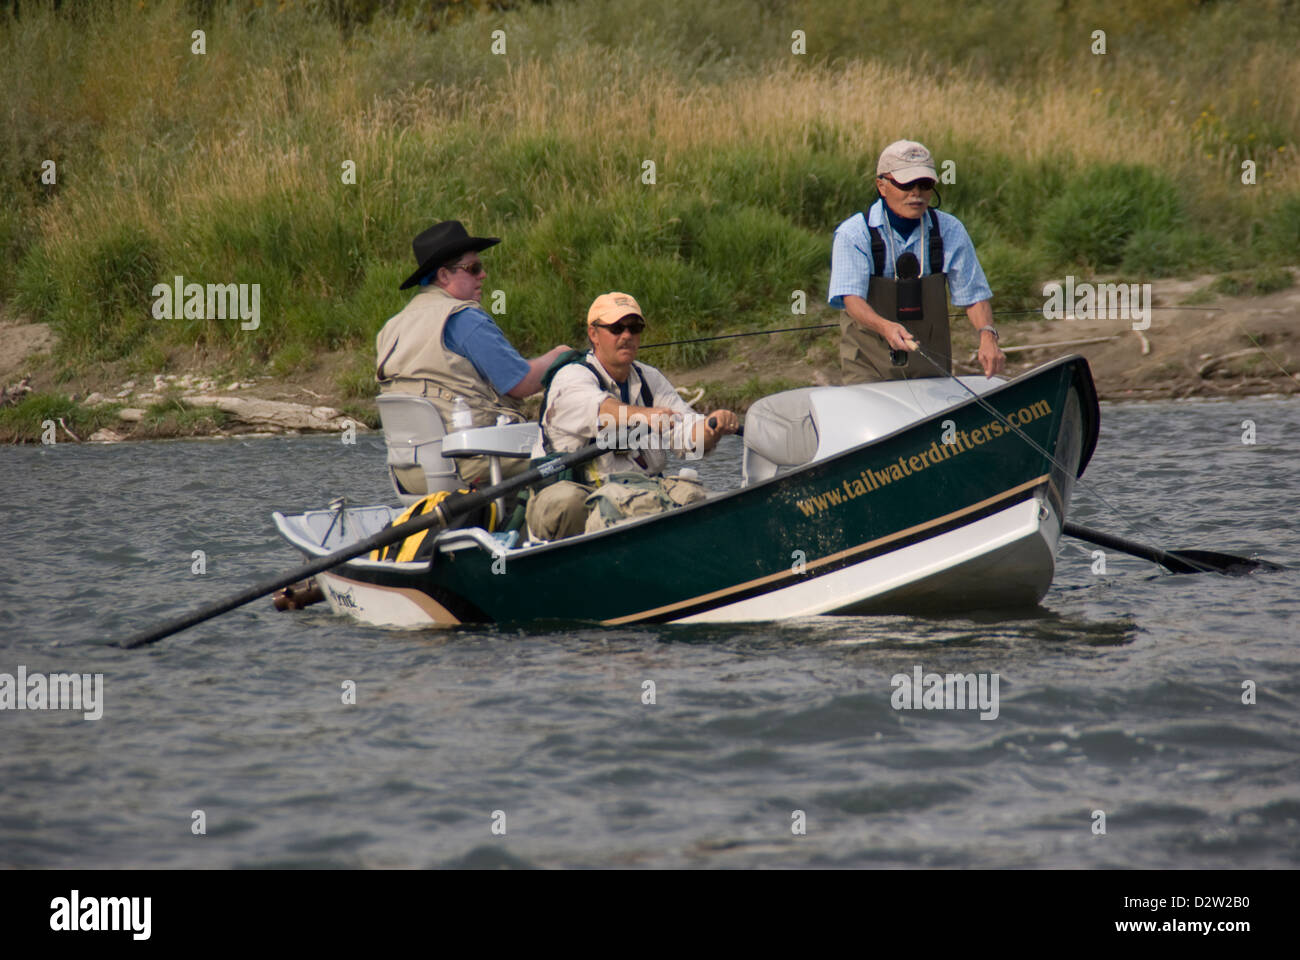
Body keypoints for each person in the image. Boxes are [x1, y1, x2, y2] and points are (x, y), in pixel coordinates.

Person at [525, 292, 740, 541]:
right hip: (572, 493)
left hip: (635, 493)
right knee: (569, 502)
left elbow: (689, 442)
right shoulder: (571, 377)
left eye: (634, 328)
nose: (627, 336)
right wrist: (646, 417)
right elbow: (602, 412)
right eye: (616, 328)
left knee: (694, 497)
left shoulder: (650, 379)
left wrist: (711, 427)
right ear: (593, 334)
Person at [375, 220, 572, 487]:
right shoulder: (464, 318)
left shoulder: (392, 327)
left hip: (408, 474)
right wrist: (561, 355)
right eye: (474, 268)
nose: (483, 275)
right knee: (572, 457)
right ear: (444, 276)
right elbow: (522, 384)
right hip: (470, 465)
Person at [828, 140, 1006, 382]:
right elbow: (851, 300)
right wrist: (885, 327)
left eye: (925, 184)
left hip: (931, 368)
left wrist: (988, 336)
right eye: (906, 183)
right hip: (868, 365)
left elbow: (973, 295)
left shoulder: (950, 229)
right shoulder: (853, 234)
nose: (916, 193)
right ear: (882, 185)